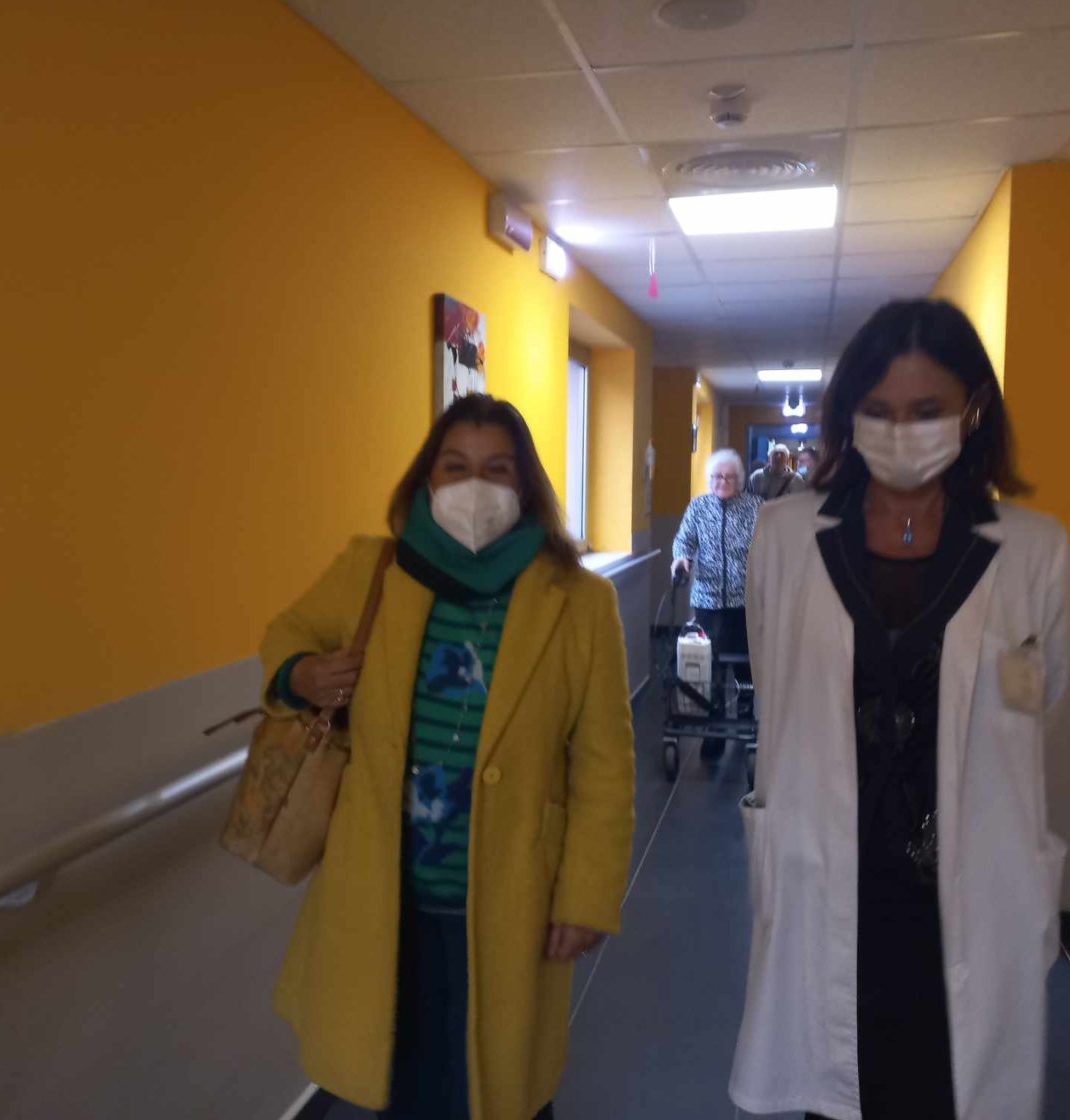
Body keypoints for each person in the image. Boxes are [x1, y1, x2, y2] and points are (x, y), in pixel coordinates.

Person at [731, 299, 1070, 1120]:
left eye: (926, 410)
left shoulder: (1034, 551)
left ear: (973, 407)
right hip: (828, 871)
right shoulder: (784, 536)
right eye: (879, 411)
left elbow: (1040, 707)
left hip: (967, 888)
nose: (901, 431)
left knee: (946, 1091)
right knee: (832, 1090)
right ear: (849, 414)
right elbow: (778, 694)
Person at [262, 394, 636, 1120]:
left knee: (500, 1089)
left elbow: (605, 765)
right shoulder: (372, 570)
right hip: (386, 896)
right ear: (426, 480)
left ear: (526, 485)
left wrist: (587, 894)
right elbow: (287, 633)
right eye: (456, 467)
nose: (475, 487)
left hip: (510, 897)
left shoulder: (578, 601)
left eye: (498, 469)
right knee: (402, 1087)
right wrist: (301, 675)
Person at [672, 448, 763, 757]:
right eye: (716, 476)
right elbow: (684, 539)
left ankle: (745, 720)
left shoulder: (754, 507)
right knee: (710, 665)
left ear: (740, 480)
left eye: (729, 477)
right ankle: (715, 731)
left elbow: (768, 543)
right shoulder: (698, 507)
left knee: (746, 665)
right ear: (709, 478)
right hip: (707, 600)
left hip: (745, 601)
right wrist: (681, 559)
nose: (722, 481)